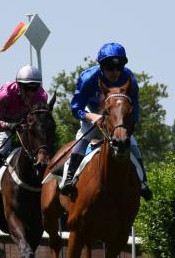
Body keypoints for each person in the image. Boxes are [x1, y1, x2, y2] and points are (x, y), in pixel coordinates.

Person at [59, 42, 152, 200]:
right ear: (101, 66)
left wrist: (127, 128)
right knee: (85, 137)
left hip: (117, 114)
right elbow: (76, 108)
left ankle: (143, 182)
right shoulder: (88, 78)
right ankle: (69, 177)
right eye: (109, 67)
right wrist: (92, 117)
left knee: (132, 143)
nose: (115, 72)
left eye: (119, 67)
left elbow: (134, 112)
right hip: (91, 110)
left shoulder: (130, 79)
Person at [0, 65, 49, 196]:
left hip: (26, 124)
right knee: (3, 146)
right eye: (27, 88)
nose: (31, 92)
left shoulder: (41, 96)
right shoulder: (4, 95)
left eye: (34, 88)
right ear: (19, 85)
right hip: (4, 124)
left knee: (42, 144)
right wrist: (9, 125)